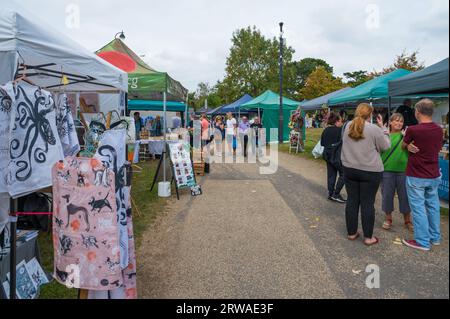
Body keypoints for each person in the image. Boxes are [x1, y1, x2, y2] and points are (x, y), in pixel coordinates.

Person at [341, 103, 391, 246]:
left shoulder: (348, 126)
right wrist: (384, 129)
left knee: (352, 200)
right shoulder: (373, 128)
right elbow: (386, 146)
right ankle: (368, 237)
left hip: (349, 168)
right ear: (371, 114)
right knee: (367, 203)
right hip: (370, 170)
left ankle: (352, 233)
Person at [402, 99, 444, 251]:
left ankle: (422, 242)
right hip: (433, 174)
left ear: (417, 112)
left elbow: (403, 145)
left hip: (417, 174)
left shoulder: (413, 130)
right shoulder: (439, 129)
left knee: (419, 208)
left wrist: (407, 145)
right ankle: (435, 237)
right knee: (433, 206)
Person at [380, 113, 412, 231]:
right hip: (387, 170)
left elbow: (411, 150)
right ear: (390, 122)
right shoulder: (384, 135)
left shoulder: (407, 135)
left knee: (405, 196)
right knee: (387, 195)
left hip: (403, 170)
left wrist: (406, 140)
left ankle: (407, 220)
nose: (399, 123)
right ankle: (388, 218)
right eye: (396, 121)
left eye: (401, 121)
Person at [320, 112, 346, 203]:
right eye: (341, 121)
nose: (342, 123)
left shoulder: (325, 130)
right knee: (344, 174)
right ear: (337, 122)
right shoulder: (340, 130)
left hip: (327, 155)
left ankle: (331, 193)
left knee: (331, 175)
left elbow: (322, 143)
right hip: (336, 156)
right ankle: (336, 193)